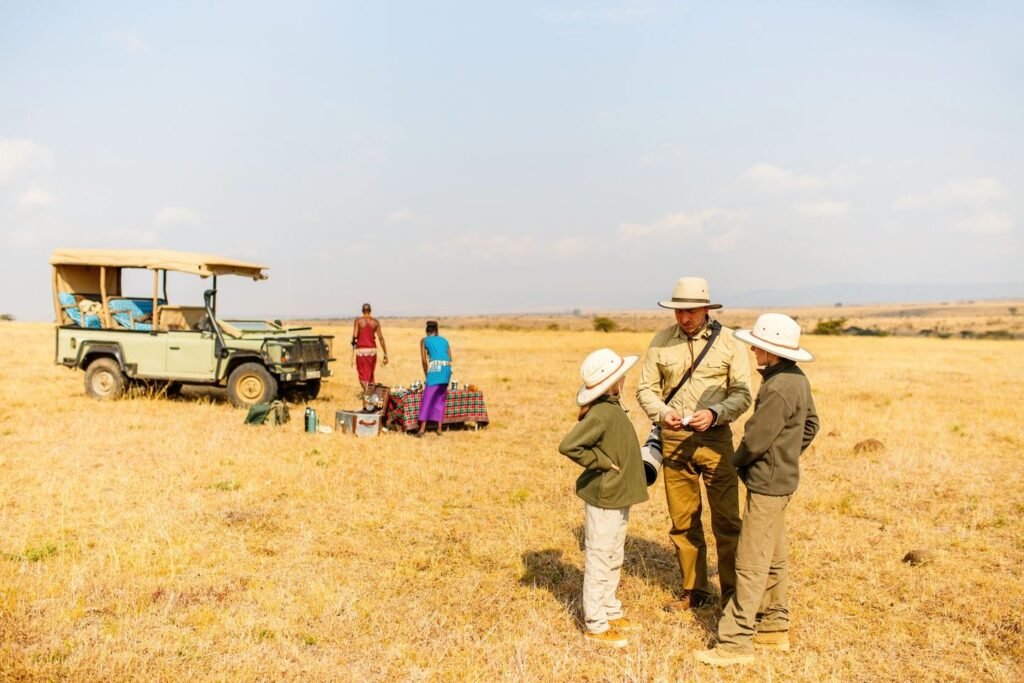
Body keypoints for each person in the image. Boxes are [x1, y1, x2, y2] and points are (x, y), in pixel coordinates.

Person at [694, 313, 819, 666]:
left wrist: (738, 461)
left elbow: (755, 440)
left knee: (750, 561)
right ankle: (774, 628)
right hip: (782, 481)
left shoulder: (777, 387)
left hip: (766, 484)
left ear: (772, 352)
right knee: (775, 557)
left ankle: (735, 642)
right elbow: (811, 425)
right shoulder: (796, 379)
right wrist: (788, 455)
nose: (752, 352)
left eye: (757, 347)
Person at [635, 277, 752, 614]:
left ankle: (732, 592)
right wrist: (662, 413)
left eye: (691, 311)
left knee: (727, 520)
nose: (684, 318)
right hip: (673, 441)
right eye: (679, 311)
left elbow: (743, 393)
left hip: (716, 440)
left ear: (706, 309)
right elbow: (645, 390)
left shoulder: (729, 342)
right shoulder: (660, 342)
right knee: (683, 520)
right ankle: (694, 589)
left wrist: (715, 413)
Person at [558, 348, 648, 647]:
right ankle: (596, 624)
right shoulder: (602, 412)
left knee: (613, 554)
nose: (624, 378)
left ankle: (610, 610)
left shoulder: (611, 407)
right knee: (600, 556)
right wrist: (602, 462)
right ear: (613, 381)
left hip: (617, 493)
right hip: (606, 494)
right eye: (620, 375)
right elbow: (570, 445)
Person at [415, 320, 453, 437]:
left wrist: (427, 374)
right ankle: (439, 428)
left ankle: (422, 429)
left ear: (427, 331)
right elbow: (450, 357)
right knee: (440, 398)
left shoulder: (424, 340)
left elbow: (423, 360)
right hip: (446, 370)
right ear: (437, 331)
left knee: (428, 398)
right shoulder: (445, 340)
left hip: (435, 370)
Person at [352, 303, 388, 393]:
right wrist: (385, 353)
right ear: (370, 310)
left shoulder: (358, 321)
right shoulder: (375, 322)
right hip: (372, 352)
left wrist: (354, 344)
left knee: (362, 376)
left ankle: (369, 394)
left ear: (362, 311)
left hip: (362, 352)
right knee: (370, 376)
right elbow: (381, 338)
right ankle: (371, 395)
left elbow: (354, 336)